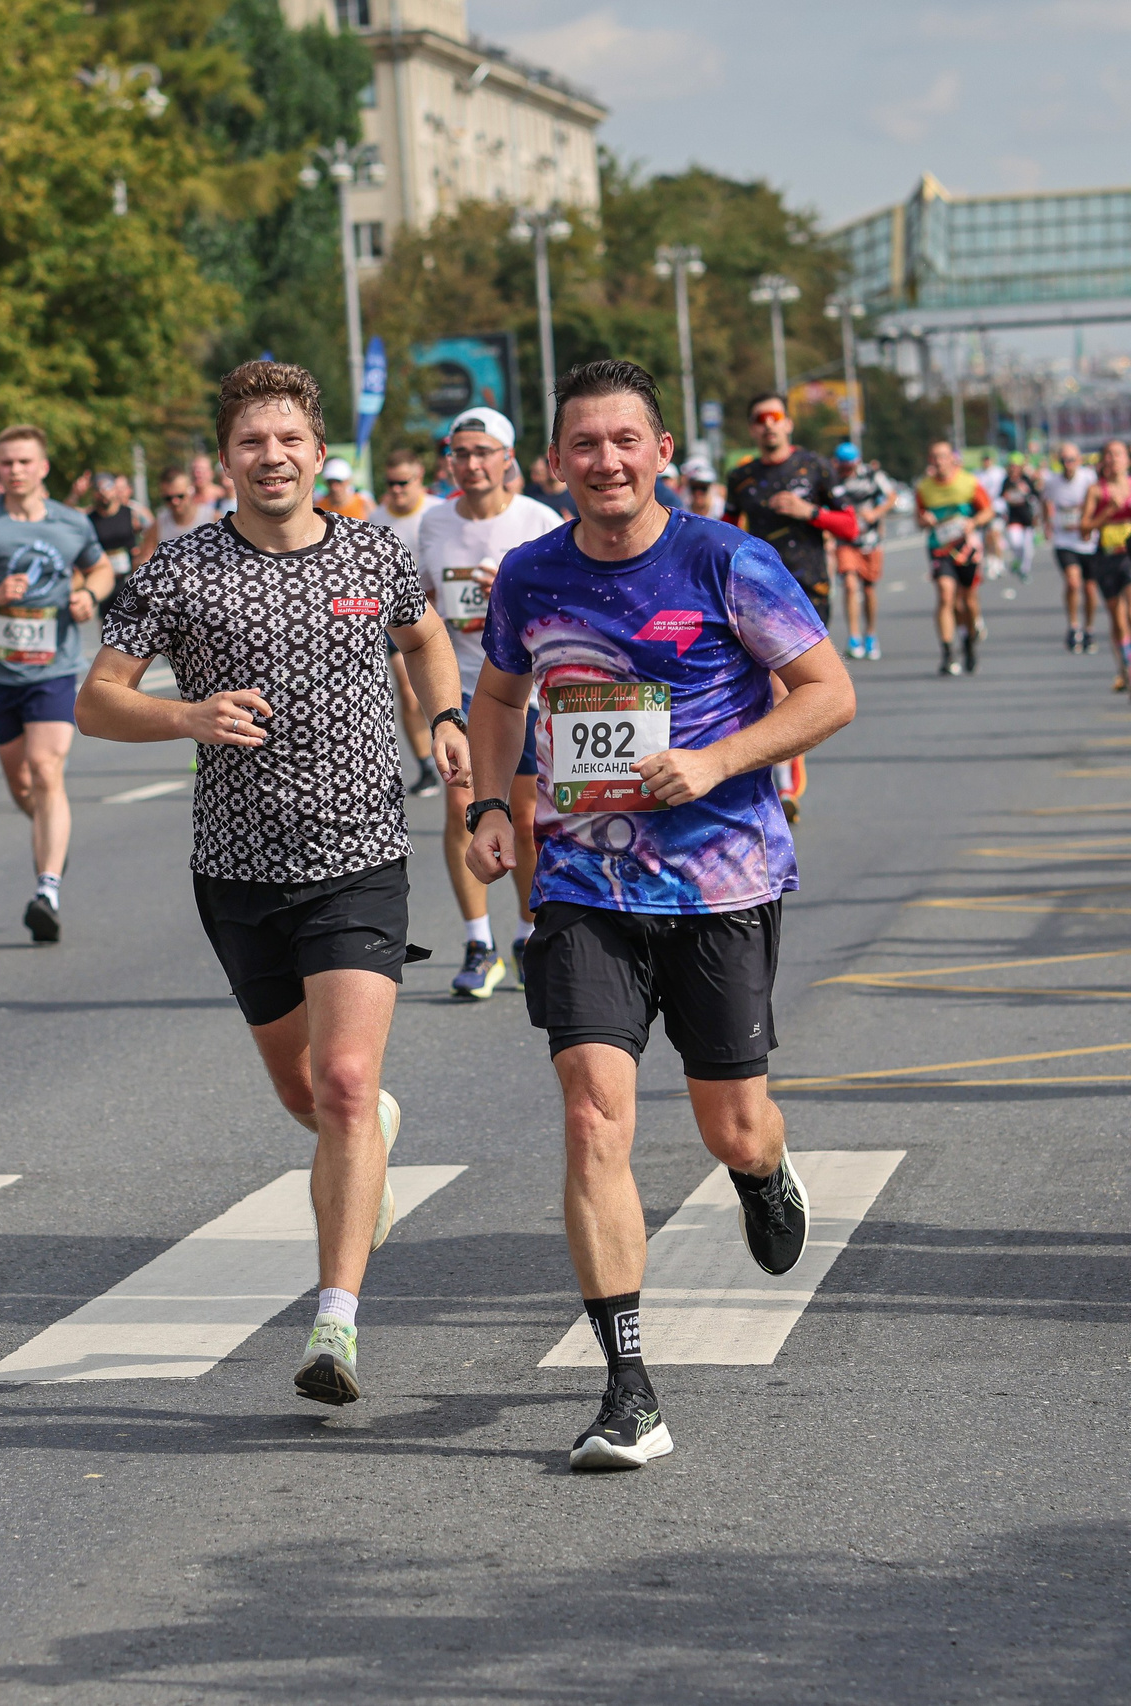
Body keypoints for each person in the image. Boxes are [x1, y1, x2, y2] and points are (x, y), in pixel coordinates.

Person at [464, 358, 855, 1472]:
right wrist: (494, 804)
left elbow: (829, 690)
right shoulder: (530, 576)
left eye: (624, 440)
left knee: (731, 1118)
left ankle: (759, 1168)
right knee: (594, 1118)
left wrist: (718, 759)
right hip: (584, 883)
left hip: (719, 885)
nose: (605, 461)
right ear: (555, 463)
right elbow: (498, 697)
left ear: (661, 451)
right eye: (583, 444)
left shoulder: (726, 558)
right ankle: (628, 1386)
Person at [78, 360, 470, 1410]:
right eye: (251, 441)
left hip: (359, 854)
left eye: (288, 438)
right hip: (237, 868)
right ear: (225, 458)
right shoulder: (178, 570)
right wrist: (185, 716)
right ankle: (364, 1137)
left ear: (317, 449)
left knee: (342, 1082)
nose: (272, 456)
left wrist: (442, 718)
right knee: (308, 1093)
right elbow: (96, 701)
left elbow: (424, 635)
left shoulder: (371, 550)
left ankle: (334, 1316)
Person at [0, 425, 111, 943]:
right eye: (6, 462)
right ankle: (50, 834)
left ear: (43, 468)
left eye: (24, 462)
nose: (14, 470)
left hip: (54, 667)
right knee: (22, 785)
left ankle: (47, 888)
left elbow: (99, 569)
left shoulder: (72, 523)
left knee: (45, 768)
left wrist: (88, 597)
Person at [413, 406, 564, 999]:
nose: (471, 465)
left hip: (524, 687)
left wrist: (509, 586)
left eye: (483, 453)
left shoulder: (539, 520)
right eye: (460, 453)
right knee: (461, 812)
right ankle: (479, 941)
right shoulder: (432, 523)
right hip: (464, 684)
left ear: (507, 459)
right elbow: (421, 603)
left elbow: (563, 606)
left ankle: (528, 934)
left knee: (522, 820)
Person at [723, 394, 855, 817]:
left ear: (789, 424)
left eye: (776, 417)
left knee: (794, 687)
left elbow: (850, 524)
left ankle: (784, 782)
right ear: (751, 429)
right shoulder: (742, 476)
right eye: (760, 419)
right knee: (771, 687)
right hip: (756, 593)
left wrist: (808, 510)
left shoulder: (814, 468)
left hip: (807, 589)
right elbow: (723, 533)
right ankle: (782, 786)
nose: (769, 426)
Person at [378, 446, 447, 799]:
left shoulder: (438, 513)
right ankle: (424, 765)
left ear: (419, 479)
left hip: (442, 616)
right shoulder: (376, 519)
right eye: (390, 483)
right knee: (406, 691)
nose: (397, 490)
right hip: (396, 620)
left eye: (403, 482)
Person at [915, 439, 994, 676]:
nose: (939, 461)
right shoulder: (924, 488)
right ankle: (948, 652)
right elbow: (919, 518)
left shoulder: (968, 482)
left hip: (966, 549)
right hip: (940, 549)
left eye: (943, 456)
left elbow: (988, 510)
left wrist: (974, 522)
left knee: (967, 601)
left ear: (952, 459)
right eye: (934, 457)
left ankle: (969, 643)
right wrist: (924, 520)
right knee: (945, 594)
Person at [831, 442, 895, 661]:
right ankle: (853, 636)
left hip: (870, 540)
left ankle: (870, 634)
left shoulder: (872, 475)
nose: (846, 469)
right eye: (843, 465)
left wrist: (876, 513)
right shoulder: (833, 479)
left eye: (850, 465)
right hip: (845, 540)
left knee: (868, 589)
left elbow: (891, 496)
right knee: (849, 585)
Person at [1082, 440, 1131, 691]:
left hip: (1129, 556)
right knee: (1117, 618)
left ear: (1127, 459)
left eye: (1117, 454)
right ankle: (1123, 668)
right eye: (1108, 455)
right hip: (1106, 557)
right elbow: (1084, 529)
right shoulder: (1096, 491)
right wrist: (1107, 513)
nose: (1112, 459)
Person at [1043, 442, 1098, 653]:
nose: (1068, 464)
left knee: (1090, 589)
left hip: (1088, 540)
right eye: (1064, 460)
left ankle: (1089, 628)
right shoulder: (1052, 482)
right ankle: (1074, 626)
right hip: (1064, 540)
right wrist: (1047, 523)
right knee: (1073, 583)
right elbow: (1045, 501)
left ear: (1080, 460)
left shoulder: (1089, 479)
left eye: (1072, 460)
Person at [86, 469, 148, 606]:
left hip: (130, 578)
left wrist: (142, 553)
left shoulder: (130, 513)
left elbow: (152, 529)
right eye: (98, 489)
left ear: (114, 489)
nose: (104, 493)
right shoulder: (90, 519)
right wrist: (75, 494)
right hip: (106, 579)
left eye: (107, 488)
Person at [135, 465, 214, 563]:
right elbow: (141, 562)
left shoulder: (212, 518)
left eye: (180, 496)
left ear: (191, 491)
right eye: (168, 498)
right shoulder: (159, 525)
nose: (175, 502)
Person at [1001, 457, 1040, 586]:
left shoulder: (1025, 480)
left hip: (1027, 518)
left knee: (1027, 548)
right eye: (1011, 466)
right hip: (1013, 518)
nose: (1013, 469)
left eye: (1016, 466)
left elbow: (1036, 496)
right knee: (1015, 542)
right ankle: (1017, 560)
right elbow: (1001, 498)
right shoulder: (1006, 481)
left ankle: (1024, 570)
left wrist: (1027, 491)